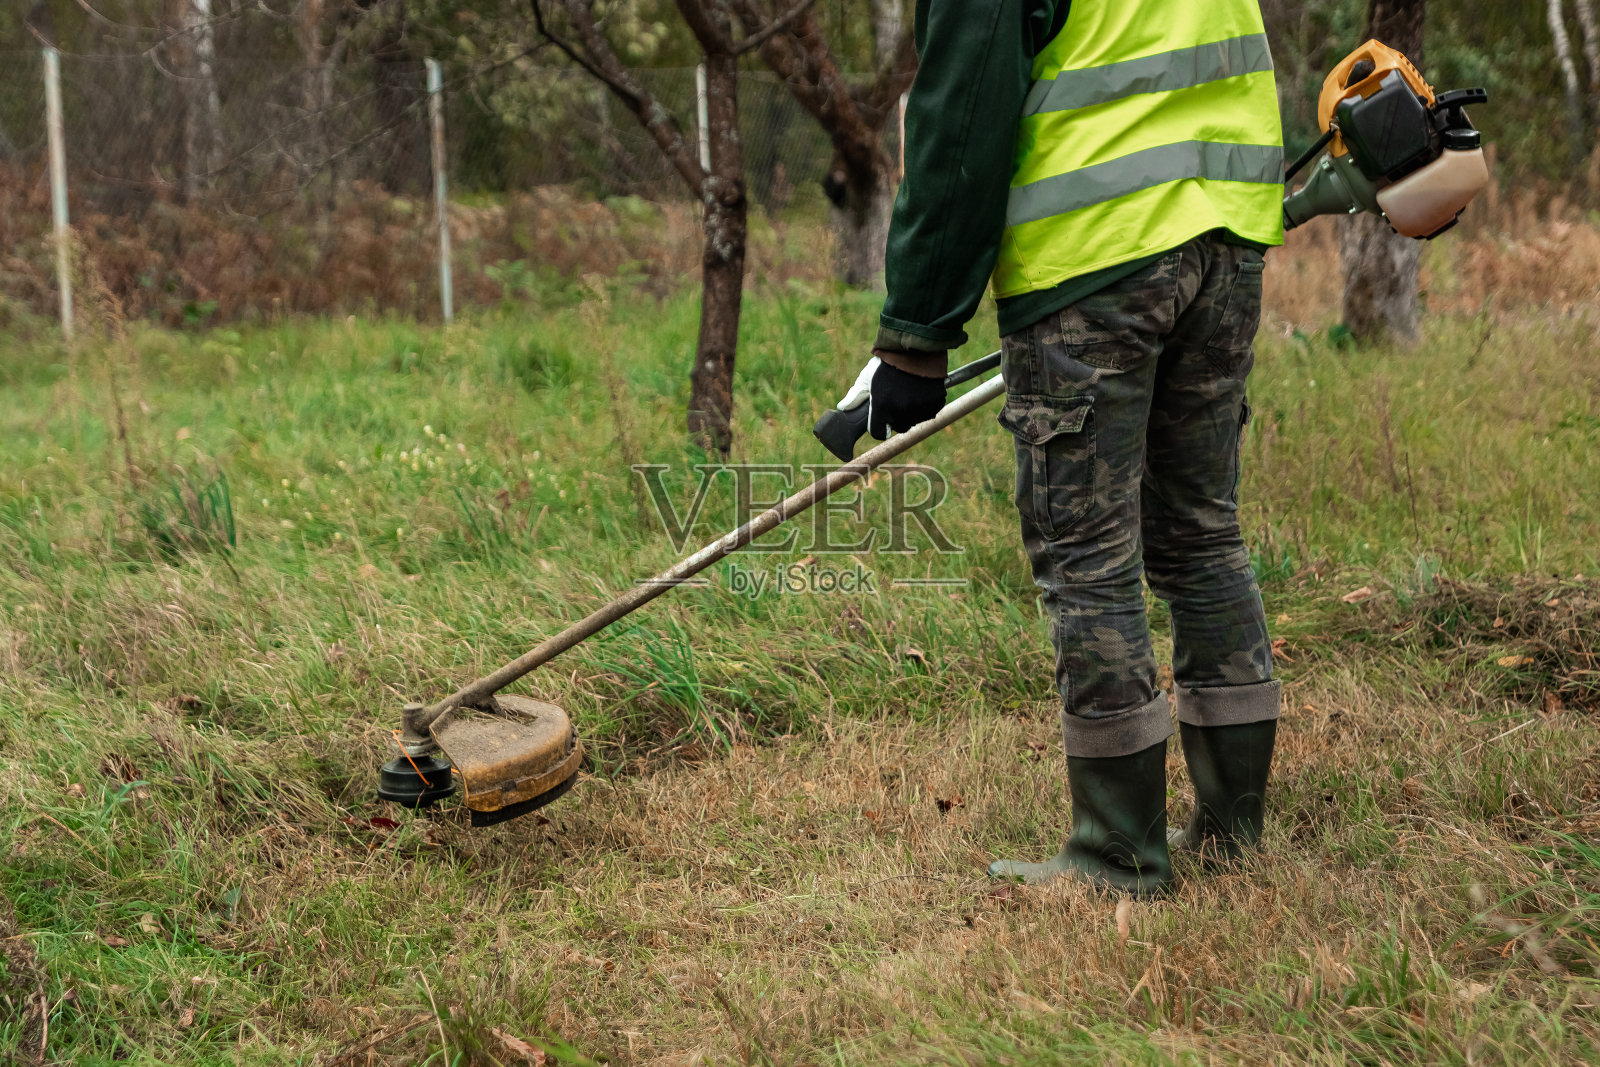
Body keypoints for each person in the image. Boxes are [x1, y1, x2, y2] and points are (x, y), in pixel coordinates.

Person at [856, 0, 1286, 896]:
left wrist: (916, 333)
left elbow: (965, 106)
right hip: (1227, 236)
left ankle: (1118, 855)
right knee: (1202, 532)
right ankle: (1235, 827)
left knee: (1087, 555)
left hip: (1096, 246)